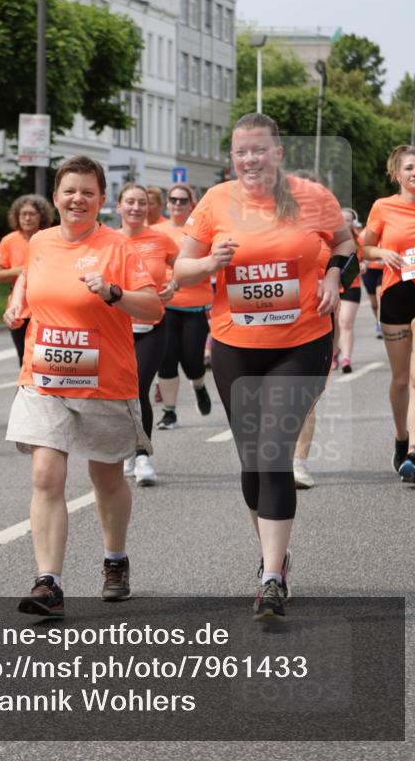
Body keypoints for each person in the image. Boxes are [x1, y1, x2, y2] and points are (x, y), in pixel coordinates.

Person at [175, 113, 355, 619]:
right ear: (232, 158)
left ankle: (272, 578)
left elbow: (345, 244)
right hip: (235, 343)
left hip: (302, 340)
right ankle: (274, 553)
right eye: (240, 152)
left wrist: (333, 277)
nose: (249, 160)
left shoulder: (312, 196)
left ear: (277, 152)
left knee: (275, 452)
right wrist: (210, 264)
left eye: (259, 150)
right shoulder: (214, 203)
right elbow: (181, 266)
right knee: (253, 464)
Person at [3, 156, 161, 616]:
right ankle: (48, 582)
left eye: (88, 192)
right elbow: (31, 282)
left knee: (105, 476)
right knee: (45, 473)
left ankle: (115, 559)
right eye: (70, 191)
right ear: (56, 197)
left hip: (104, 380)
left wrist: (114, 293)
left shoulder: (119, 247)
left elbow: (152, 309)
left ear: (101, 200)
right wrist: (17, 305)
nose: (78, 199)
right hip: (44, 379)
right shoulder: (40, 243)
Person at [362, 145, 415, 483]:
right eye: (410, 168)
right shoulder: (383, 207)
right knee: (401, 379)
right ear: (398, 174)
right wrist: (382, 251)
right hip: (396, 294)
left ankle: (414, 452)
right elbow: (365, 245)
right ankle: (401, 439)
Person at [116, 182, 178, 485]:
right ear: (119, 206)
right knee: (119, 394)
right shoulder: (105, 240)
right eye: (130, 202)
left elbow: (184, 266)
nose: (136, 208)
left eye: (142, 202)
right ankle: (129, 446)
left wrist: (174, 284)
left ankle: (142, 456)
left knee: (139, 388)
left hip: (151, 326)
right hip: (115, 328)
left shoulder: (160, 239)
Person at [155, 183, 213, 430]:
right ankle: (169, 412)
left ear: (192, 204)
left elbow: (207, 267)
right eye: (173, 199)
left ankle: (198, 385)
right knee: (167, 361)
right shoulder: (156, 231)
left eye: (183, 200)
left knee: (192, 362)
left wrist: (178, 278)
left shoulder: (200, 232)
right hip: (163, 307)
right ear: (167, 202)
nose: (177, 204)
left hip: (194, 308)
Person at [0, 194, 53, 366]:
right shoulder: (9, 240)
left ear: (41, 216)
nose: (27, 218)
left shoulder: (49, 238)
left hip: (45, 307)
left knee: (42, 358)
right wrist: (22, 270)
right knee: (24, 359)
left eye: (32, 214)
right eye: (23, 214)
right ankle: (27, 390)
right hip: (19, 308)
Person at [334, 207, 364, 374]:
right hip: (333, 288)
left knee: (346, 322)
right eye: (342, 219)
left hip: (353, 286)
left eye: (348, 220)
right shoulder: (329, 239)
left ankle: (346, 359)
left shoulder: (359, 240)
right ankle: (335, 352)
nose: (344, 222)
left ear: (353, 222)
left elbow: (367, 257)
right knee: (335, 323)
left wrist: (364, 265)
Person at [359, 224, 384, 339]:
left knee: (380, 299)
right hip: (369, 272)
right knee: (374, 304)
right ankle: (377, 320)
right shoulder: (363, 234)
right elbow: (360, 253)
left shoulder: (387, 230)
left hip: (384, 270)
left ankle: (380, 324)